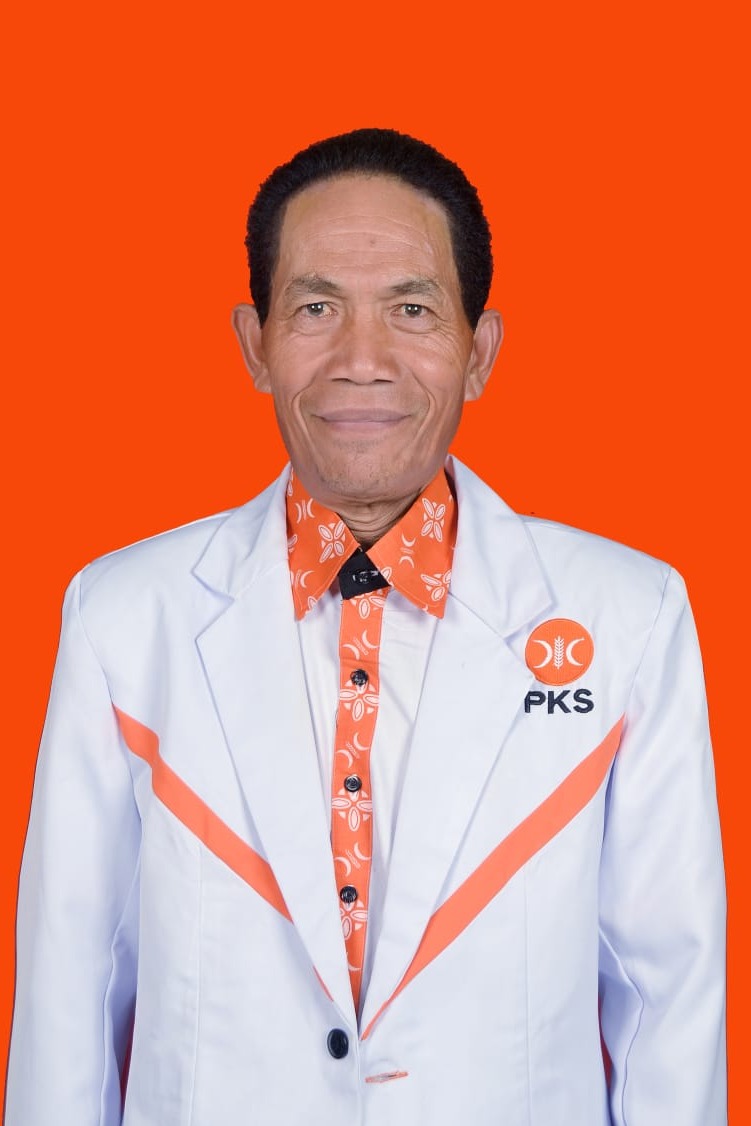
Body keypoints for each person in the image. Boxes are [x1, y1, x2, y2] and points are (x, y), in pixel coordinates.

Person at [5, 128, 726, 1125]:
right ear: (254, 345)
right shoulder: (123, 617)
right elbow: (68, 980)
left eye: (412, 309)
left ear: (479, 352)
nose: (361, 360)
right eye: (315, 308)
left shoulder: (628, 614)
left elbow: (669, 989)